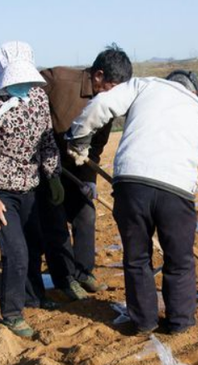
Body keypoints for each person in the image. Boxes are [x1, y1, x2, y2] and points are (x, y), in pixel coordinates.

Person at [66, 70, 198, 335]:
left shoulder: (146, 85)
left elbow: (101, 103)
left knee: (137, 257)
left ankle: (144, 322)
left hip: (131, 184)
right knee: (180, 260)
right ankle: (180, 323)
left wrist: (79, 136)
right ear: (193, 91)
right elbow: (194, 155)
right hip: (176, 189)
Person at [0, 41, 64, 338]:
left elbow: (46, 141)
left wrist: (53, 175)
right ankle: (12, 313)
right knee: (15, 250)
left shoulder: (39, 99)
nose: (23, 85)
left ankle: (34, 295)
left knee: (35, 243)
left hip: (29, 186)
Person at [37, 44, 133, 300]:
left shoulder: (107, 102)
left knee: (86, 214)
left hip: (76, 168)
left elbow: (96, 146)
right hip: (46, 166)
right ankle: (65, 279)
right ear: (98, 75)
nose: (116, 93)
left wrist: (89, 180)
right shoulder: (58, 80)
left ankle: (83, 272)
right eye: (113, 84)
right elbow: (25, 98)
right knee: (55, 221)